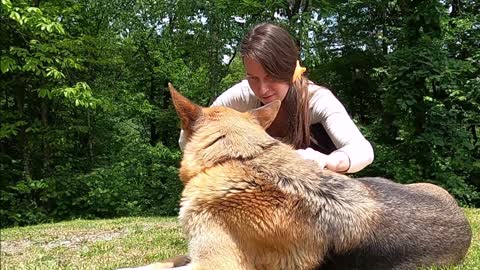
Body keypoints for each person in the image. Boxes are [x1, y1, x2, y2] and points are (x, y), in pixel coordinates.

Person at [179, 22, 373, 173]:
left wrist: (327, 161)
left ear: (288, 68)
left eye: (271, 76)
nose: (262, 89)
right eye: (253, 78)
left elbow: (363, 150)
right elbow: (193, 132)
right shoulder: (242, 95)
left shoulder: (316, 100)